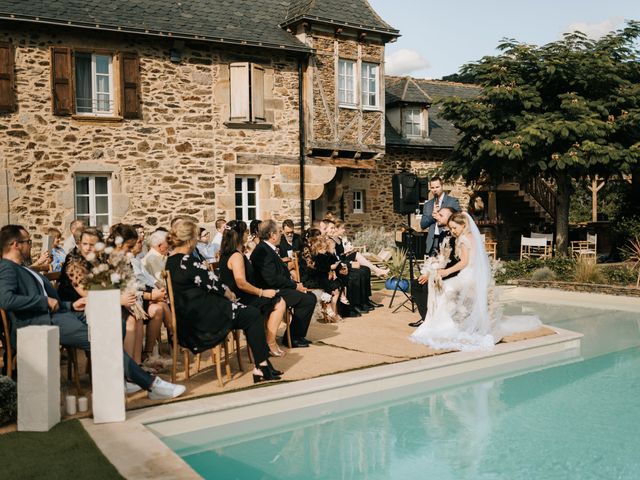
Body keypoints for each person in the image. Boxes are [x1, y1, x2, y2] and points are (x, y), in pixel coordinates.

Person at [0, 224, 185, 398]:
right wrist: (45, 301)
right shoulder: (7, 267)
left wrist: (71, 305)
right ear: (16, 245)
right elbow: (6, 300)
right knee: (100, 341)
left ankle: (120, 378)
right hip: (40, 322)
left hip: (63, 312)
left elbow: (58, 300)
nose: (31, 245)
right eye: (29, 242)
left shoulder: (23, 268)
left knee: (116, 321)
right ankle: (151, 384)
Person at [165, 219, 281, 382]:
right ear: (191, 240)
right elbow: (213, 282)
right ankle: (261, 365)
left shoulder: (170, 261)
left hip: (189, 315)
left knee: (249, 313)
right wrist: (228, 293)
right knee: (253, 314)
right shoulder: (187, 260)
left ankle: (262, 364)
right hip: (203, 318)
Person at [410, 213, 540, 351]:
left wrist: (446, 272)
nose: (453, 231)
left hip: (468, 275)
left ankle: (447, 325)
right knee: (447, 289)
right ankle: (452, 320)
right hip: (475, 275)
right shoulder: (472, 236)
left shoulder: (464, 238)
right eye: (452, 228)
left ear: (463, 225)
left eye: (455, 228)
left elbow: (464, 262)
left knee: (446, 288)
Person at [219, 220, 288, 356]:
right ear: (239, 236)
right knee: (279, 302)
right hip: (239, 298)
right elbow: (241, 283)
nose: (248, 235)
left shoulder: (228, 253)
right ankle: (270, 342)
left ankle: (264, 340)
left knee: (274, 298)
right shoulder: (236, 256)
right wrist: (262, 292)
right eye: (245, 232)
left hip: (237, 296)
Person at [250, 220, 316, 348]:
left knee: (309, 296)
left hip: (278, 287)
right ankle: (293, 337)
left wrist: (296, 283)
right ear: (272, 235)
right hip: (270, 291)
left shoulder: (268, 249)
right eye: (279, 232)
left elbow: (281, 274)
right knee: (307, 300)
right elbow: (271, 279)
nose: (281, 235)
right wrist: (295, 286)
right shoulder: (262, 251)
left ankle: (295, 335)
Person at [409, 206, 459, 328]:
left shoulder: (457, 236)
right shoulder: (443, 234)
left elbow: (453, 261)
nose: (437, 216)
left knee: (427, 286)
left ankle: (433, 319)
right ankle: (425, 318)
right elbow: (438, 256)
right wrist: (427, 272)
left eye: (441, 215)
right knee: (416, 284)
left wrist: (432, 274)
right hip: (440, 269)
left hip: (452, 272)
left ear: (451, 217)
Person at [420, 177, 461, 256]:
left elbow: (458, 220)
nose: (435, 190)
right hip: (432, 241)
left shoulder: (452, 201)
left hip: (448, 238)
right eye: (432, 188)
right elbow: (422, 225)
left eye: (437, 187)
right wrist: (433, 216)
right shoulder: (427, 205)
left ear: (442, 186)